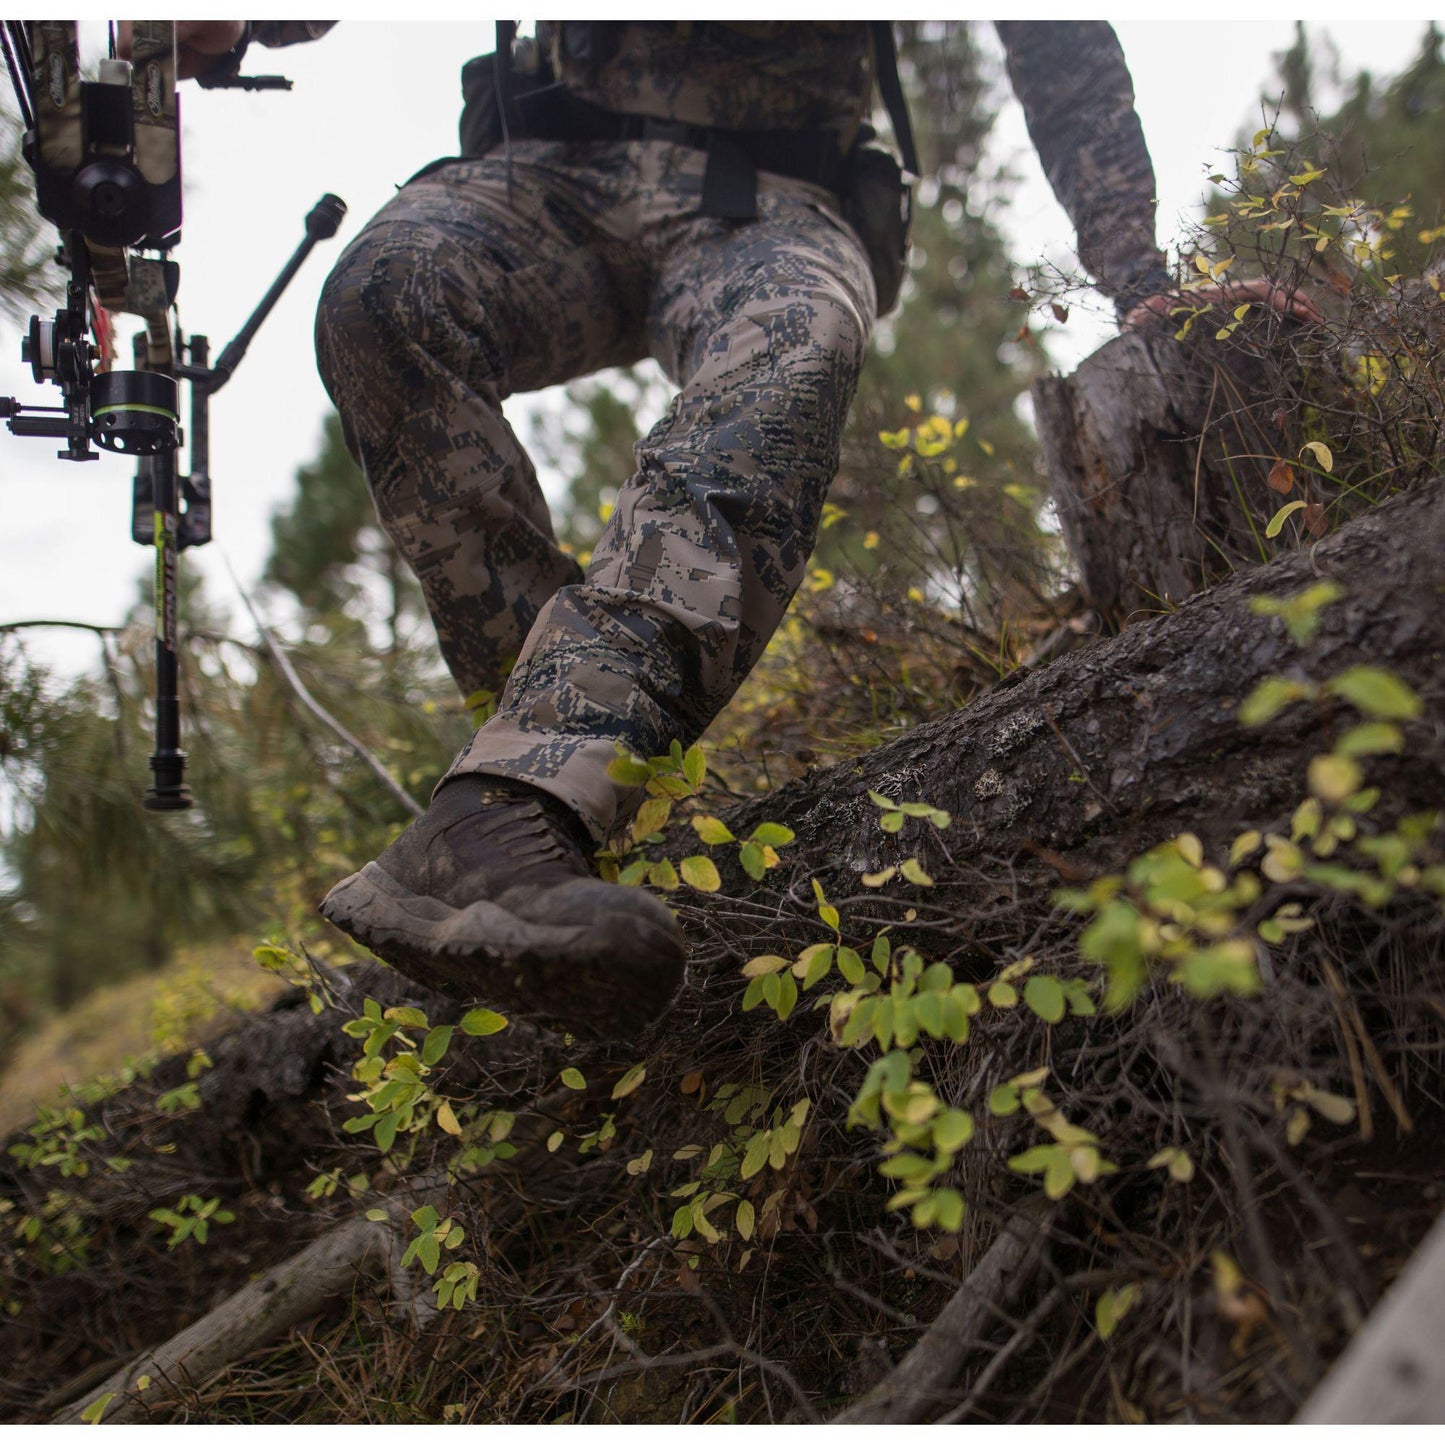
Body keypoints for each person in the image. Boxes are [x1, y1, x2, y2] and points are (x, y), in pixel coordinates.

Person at [152, 20, 1285, 1040]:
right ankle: (537, 813)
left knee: (797, 339)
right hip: (552, 168)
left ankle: (528, 800)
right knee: (381, 293)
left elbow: (1057, 45)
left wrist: (1135, 271)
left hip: (765, 194)